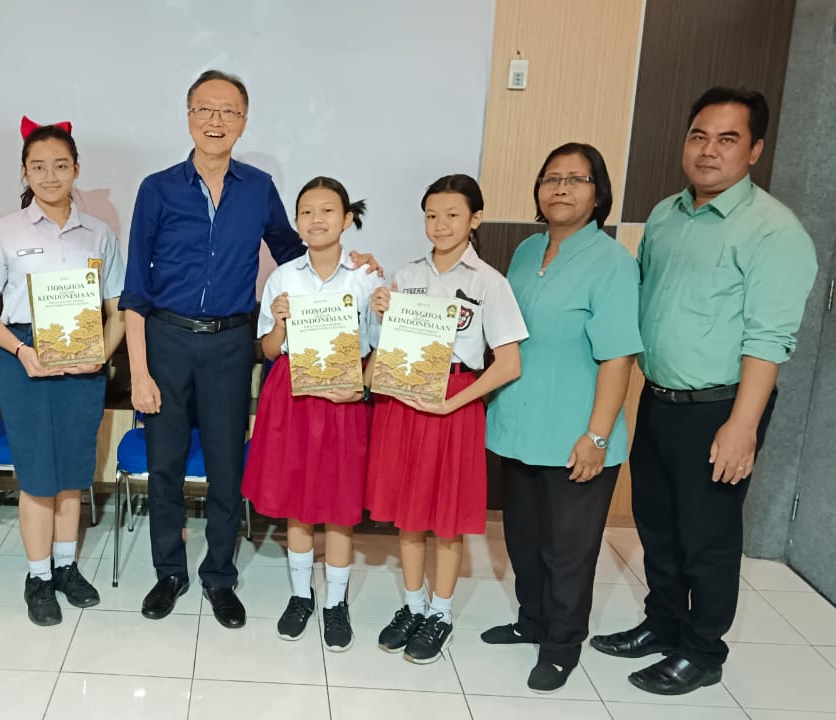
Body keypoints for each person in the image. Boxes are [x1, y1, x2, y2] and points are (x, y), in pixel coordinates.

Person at [121, 69, 377, 629]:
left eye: (228, 111)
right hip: (166, 339)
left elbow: (297, 253)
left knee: (225, 464)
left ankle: (219, 576)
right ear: (189, 115)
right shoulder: (156, 189)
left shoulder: (258, 188)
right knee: (164, 465)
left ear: (243, 121)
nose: (216, 120)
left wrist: (355, 263)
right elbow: (135, 288)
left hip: (232, 345)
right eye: (205, 109)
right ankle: (169, 572)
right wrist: (139, 370)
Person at [591, 87, 817, 695]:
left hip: (721, 407)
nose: (708, 151)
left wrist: (742, 426)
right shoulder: (666, 215)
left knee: (707, 536)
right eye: (699, 136)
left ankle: (702, 651)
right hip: (659, 398)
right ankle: (663, 623)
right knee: (657, 524)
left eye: (727, 139)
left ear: (755, 150)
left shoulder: (774, 231)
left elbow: (769, 339)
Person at [483, 143, 641, 692]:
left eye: (576, 179)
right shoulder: (528, 251)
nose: (561, 188)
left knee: (568, 551)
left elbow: (618, 358)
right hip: (520, 427)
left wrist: (597, 436)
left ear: (598, 194)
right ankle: (532, 621)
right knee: (523, 540)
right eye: (552, 178)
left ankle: (561, 644)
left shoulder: (613, 263)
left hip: (577, 435)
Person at [0, 119, 125, 627]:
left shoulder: (98, 233)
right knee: (37, 476)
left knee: (74, 473)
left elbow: (119, 311)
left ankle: (65, 567)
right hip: (26, 361)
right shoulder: (4, 232)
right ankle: (38, 576)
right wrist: (20, 350)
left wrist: (101, 353)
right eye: (39, 167)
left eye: (60, 165)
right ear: (24, 171)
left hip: (83, 362)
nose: (50, 176)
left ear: (76, 169)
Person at [366, 174, 527, 664]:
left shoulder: (488, 282)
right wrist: (382, 312)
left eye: (453, 215)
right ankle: (413, 606)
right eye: (432, 215)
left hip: (455, 400)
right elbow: (388, 346)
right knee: (409, 514)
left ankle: (440, 613)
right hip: (406, 398)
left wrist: (454, 403)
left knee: (446, 519)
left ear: (475, 219)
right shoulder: (407, 275)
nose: (440, 225)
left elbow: (509, 364)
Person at [241, 176, 384, 652]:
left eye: (327, 211)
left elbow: (380, 347)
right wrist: (280, 323)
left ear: (347, 219)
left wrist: (360, 389)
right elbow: (268, 349)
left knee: (339, 507)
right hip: (293, 396)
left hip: (343, 400)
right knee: (297, 502)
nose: (316, 220)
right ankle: (301, 596)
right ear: (296, 221)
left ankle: (335, 604)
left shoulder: (366, 276)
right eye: (306, 212)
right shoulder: (282, 277)